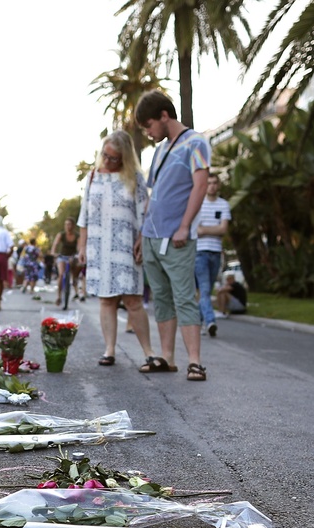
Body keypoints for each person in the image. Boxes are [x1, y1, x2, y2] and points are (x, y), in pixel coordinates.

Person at [135, 90, 211, 381]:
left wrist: (184, 226)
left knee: (184, 297)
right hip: (152, 236)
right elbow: (154, 195)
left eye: (149, 125)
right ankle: (167, 357)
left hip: (177, 237)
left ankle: (195, 362)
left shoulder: (196, 143)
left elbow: (200, 186)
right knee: (161, 298)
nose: (148, 132)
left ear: (164, 116)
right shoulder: (160, 150)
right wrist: (142, 234)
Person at [78, 129, 155, 367]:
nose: (108, 161)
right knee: (106, 300)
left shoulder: (134, 177)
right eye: (105, 155)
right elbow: (84, 215)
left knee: (133, 300)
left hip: (126, 246)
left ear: (124, 158)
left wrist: (142, 238)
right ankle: (109, 350)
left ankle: (149, 352)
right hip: (98, 246)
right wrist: (82, 246)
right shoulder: (93, 176)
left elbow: (145, 212)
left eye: (114, 158)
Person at [194, 175, 230, 338]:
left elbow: (223, 229)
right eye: (209, 183)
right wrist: (213, 229)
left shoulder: (223, 204)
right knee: (204, 288)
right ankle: (210, 321)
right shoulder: (198, 204)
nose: (212, 186)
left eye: (215, 183)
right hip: (200, 252)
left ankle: (197, 322)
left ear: (218, 185)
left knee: (206, 291)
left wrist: (205, 230)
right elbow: (196, 230)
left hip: (216, 252)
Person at [51, 217, 79, 308]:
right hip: (62, 256)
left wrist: (77, 255)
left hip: (73, 257)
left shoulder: (77, 236)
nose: (67, 226)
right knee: (61, 274)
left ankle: (75, 287)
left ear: (73, 226)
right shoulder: (61, 235)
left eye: (69, 224)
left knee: (75, 271)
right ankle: (58, 296)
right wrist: (53, 253)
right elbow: (55, 244)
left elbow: (79, 248)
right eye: (66, 224)